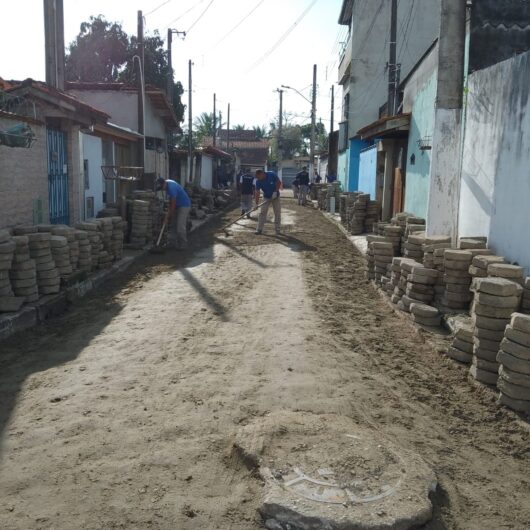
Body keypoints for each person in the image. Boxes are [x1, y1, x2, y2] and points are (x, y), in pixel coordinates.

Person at [156, 177, 192, 250]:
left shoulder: (172, 188)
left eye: (162, 188)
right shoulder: (167, 183)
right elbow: (170, 202)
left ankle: (183, 245)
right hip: (177, 205)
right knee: (173, 224)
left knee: (180, 226)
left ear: (164, 183)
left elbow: (173, 204)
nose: (162, 190)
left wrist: (167, 217)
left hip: (184, 206)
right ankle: (172, 244)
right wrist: (168, 216)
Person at [254, 169, 281, 235]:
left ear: (262, 174)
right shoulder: (258, 181)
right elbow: (257, 192)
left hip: (275, 196)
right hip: (266, 197)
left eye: (259, 177)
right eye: (257, 177)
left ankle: (277, 229)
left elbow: (279, 182)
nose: (258, 179)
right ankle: (259, 229)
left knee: (277, 212)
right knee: (262, 212)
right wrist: (256, 204)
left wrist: (275, 191)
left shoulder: (271, 174)